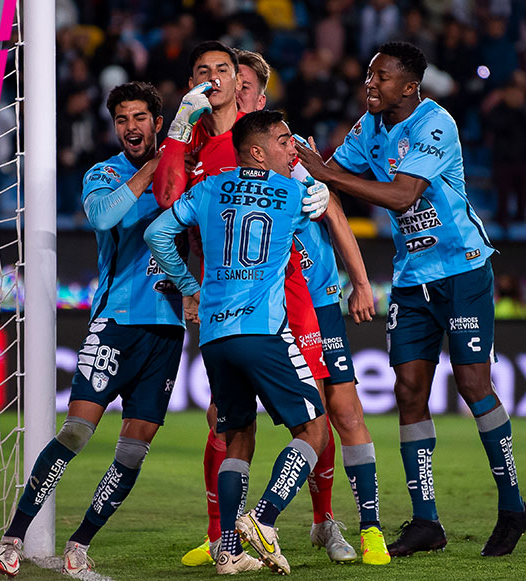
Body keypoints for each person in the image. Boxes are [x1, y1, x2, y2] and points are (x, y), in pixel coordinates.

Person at [296, 41, 526, 557]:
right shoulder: (368, 128)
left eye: (381, 78)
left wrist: (326, 174)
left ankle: (513, 506)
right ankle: (427, 521)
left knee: (472, 383)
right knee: (407, 390)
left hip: (463, 269)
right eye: (369, 76)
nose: (369, 85)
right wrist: (303, 170)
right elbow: (325, 176)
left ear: (409, 85)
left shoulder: (434, 124)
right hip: (411, 279)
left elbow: (402, 195)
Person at [0, 82, 186, 576]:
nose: (131, 127)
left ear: (158, 122)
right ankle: (13, 537)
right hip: (116, 321)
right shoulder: (104, 174)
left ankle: (81, 542)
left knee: (133, 451)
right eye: (122, 120)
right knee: (77, 432)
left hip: (166, 330)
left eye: (140, 117)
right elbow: (104, 215)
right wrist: (150, 170)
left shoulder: (187, 173)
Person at [153, 42, 336, 566]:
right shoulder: (292, 194)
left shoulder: (209, 189)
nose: (290, 149)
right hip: (264, 330)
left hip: (213, 334)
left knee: (236, 435)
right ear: (257, 151)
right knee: (312, 428)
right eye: (283, 143)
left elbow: (158, 233)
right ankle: (266, 517)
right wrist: (317, 198)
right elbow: (318, 245)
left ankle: (227, 550)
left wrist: (188, 285)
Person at [240, 47, 391, 565]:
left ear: (258, 93)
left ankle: (348, 526)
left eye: (243, 86)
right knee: (232, 419)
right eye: (223, 82)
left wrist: (361, 282)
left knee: (339, 410)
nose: (233, 92)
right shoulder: (217, 156)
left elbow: (336, 214)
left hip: (318, 300)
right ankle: (226, 534)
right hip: (256, 310)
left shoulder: (290, 147)